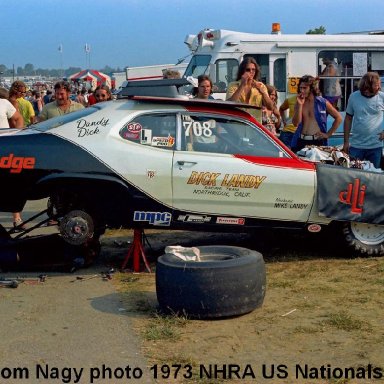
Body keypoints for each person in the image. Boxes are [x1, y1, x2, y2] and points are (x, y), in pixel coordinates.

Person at [342, 71, 384, 169]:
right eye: (365, 90)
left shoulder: (382, 97)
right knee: (353, 175)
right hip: (356, 146)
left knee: (374, 176)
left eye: (371, 90)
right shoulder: (353, 97)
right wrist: (346, 142)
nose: (367, 92)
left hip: (375, 146)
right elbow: (348, 118)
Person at [291, 75, 342, 152]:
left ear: (311, 88)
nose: (302, 91)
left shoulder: (322, 102)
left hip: (317, 141)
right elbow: (296, 123)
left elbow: (338, 118)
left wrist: (328, 134)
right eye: (300, 88)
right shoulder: (299, 102)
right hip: (301, 140)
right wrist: (300, 105)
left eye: (304, 88)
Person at [0, 87, 26, 230]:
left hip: (4, 149)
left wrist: (16, 135)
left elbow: (18, 118)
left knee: (11, 183)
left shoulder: (3, 103)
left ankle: (17, 219)